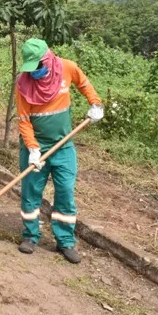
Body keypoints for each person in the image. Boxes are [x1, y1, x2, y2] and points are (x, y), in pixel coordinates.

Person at [15, 38, 103, 264]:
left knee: (65, 191)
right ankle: (30, 236)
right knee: (31, 192)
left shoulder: (67, 67)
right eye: (30, 68)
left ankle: (65, 241)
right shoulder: (23, 83)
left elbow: (84, 84)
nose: (33, 72)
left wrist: (95, 103)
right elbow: (24, 120)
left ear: (47, 59)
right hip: (36, 146)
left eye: (37, 66)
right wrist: (33, 149)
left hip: (64, 145)